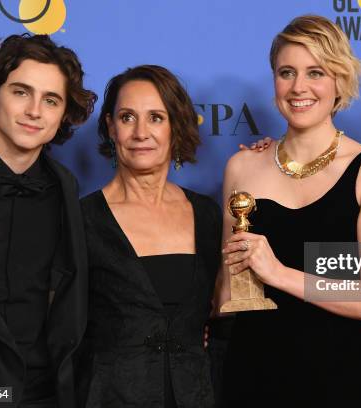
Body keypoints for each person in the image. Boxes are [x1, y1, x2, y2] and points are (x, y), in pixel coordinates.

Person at [218, 15, 361, 407]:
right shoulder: (242, 168)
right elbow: (226, 291)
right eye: (287, 72)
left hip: (342, 380)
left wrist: (279, 274)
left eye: (315, 72)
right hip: (253, 376)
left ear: (340, 80)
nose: (299, 87)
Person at [0, 34, 96, 407]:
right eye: (21, 92)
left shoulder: (65, 188)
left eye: (50, 100)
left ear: (63, 114)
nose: (34, 111)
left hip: (45, 391)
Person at [78, 65, 221, 407]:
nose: (141, 132)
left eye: (156, 117)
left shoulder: (207, 213)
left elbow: (223, 311)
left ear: (176, 125)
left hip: (197, 395)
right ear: (111, 127)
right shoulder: (81, 219)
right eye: (127, 117)